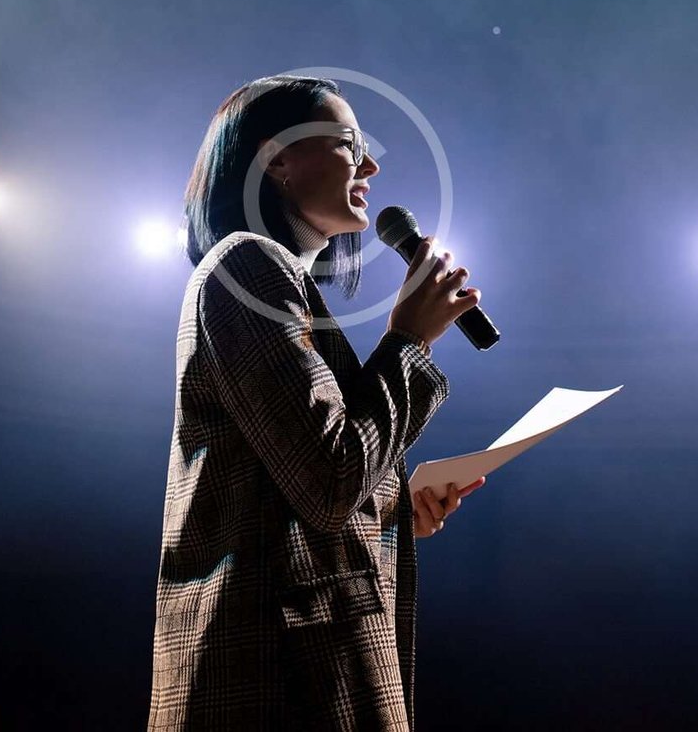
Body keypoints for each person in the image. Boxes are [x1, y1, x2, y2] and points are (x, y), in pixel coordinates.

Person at [149, 74, 486, 730]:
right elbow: (330, 478)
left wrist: (392, 507)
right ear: (277, 160)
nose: (370, 166)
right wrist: (409, 340)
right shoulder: (246, 264)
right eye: (348, 143)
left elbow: (304, 483)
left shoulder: (275, 280)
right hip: (277, 684)